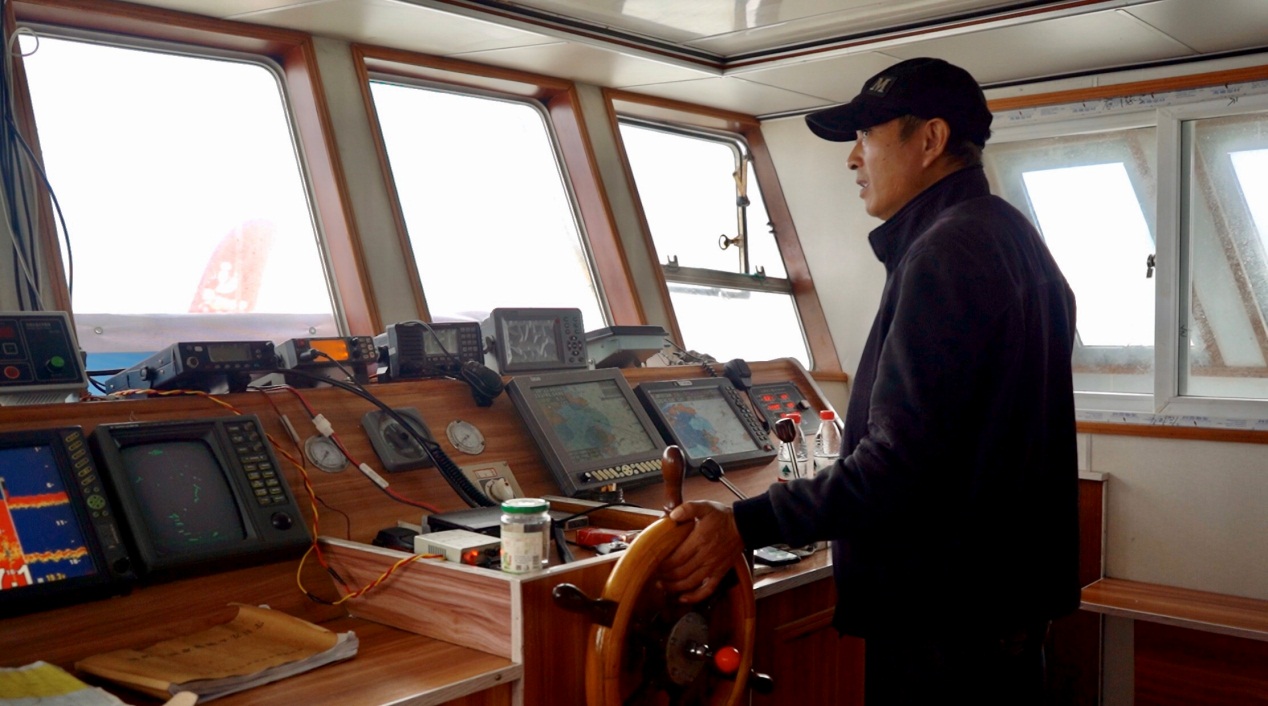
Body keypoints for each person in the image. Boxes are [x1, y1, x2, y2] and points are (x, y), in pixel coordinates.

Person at [659, 57, 1080, 705]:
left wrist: (744, 523)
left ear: (931, 139)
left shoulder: (945, 253)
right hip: (999, 612)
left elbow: (899, 467)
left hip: (943, 626)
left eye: (866, 136)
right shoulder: (1013, 237)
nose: (853, 159)